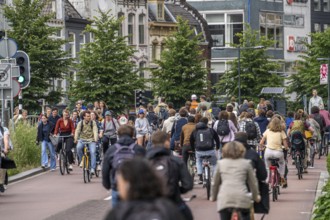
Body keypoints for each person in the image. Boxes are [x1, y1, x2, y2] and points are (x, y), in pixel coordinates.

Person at [104, 158, 184, 220]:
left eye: (120, 183)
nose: (118, 187)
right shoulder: (168, 209)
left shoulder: (118, 213)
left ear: (127, 184)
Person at [147, 131, 193, 220]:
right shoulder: (176, 161)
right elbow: (188, 184)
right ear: (166, 142)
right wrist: (177, 190)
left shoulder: (143, 162)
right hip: (174, 203)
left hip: (151, 205)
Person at [210, 141, 260, 220]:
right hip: (242, 197)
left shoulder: (220, 164)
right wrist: (255, 196)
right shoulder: (246, 163)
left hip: (225, 199)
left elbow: (215, 183)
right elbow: (253, 183)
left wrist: (213, 196)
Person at [102, 125, 145, 207]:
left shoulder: (112, 149)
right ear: (132, 134)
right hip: (136, 188)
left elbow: (105, 169)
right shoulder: (139, 149)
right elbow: (146, 169)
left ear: (118, 135)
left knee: (118, 214)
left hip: (118, 187)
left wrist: (108, 185)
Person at [260, 117, 289, 186]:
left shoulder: (267, 131)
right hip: (278, 152)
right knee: (282, 163)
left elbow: (261, 142)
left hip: (268, 152)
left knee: (267, 166)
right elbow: (285, 144)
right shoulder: (281, 132)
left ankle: (268, 178)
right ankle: (282, 177)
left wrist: (262, 146)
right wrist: (286, 148)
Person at [190, 117, 220, 184]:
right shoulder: (211, 130)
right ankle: (215, 178)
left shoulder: (195, 131)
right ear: (206, 123)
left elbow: (191, 141)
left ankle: (200, 176)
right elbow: (217, 139)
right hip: (210, 150)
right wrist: (217, 147)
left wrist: (193, 150)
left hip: (199, 151)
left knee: (198, 161)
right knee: (214, 163)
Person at [75, 110, 98, 175]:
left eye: (90, 116)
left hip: (91, 140)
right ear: (84, 117)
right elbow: (77, 131)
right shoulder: (80, 123)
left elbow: (95, 131)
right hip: (82, 139)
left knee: (93, 152)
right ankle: (82, 160)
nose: (89, 117)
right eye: (88, 116)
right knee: (78, 148)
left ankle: (93, 168)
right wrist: (75, 139)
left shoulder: (93, 123)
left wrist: (96, 139)